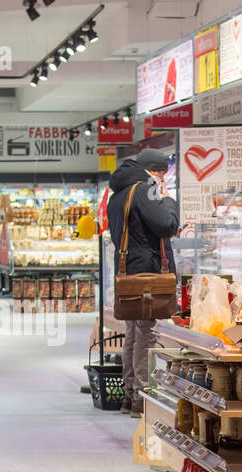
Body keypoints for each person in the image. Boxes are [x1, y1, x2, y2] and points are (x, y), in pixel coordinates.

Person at [106, 148, 179, 414]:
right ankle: (141, 396)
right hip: (146, 272)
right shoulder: (145, 188)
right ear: (156, 171)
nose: (162, 180)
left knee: (133, 332)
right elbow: (166, 225)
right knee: (145, 333)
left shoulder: (119, 192)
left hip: (127, 272)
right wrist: (169, 200)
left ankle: (129, 393)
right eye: (162, 174)